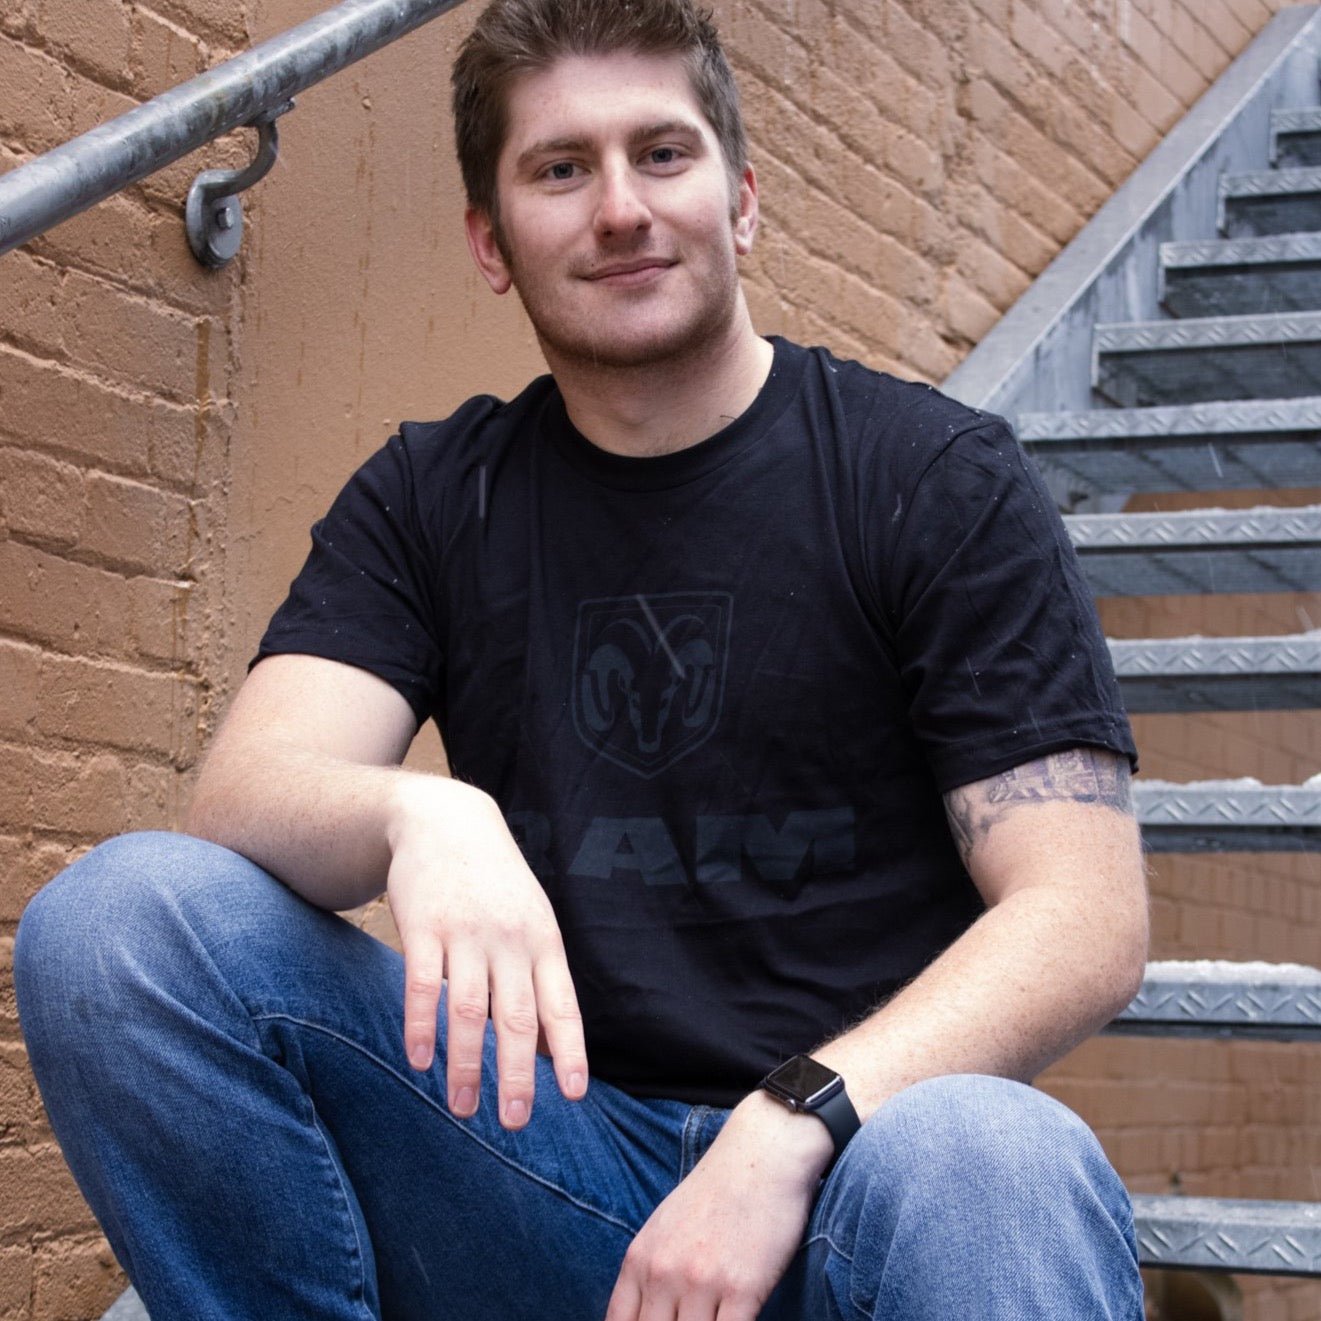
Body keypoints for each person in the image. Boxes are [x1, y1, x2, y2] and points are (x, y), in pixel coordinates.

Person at [14, 0, 1149, 1317]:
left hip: (854, 1189)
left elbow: (1084, 916)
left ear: (741, 201)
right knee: (121, 925)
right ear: (490, 244)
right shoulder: (436, 497)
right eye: (560, 169)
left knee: (996, 1152)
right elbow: (242, 796)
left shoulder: (930, 479)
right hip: (547, 1175)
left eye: (661, 154)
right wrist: (420, 814)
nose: (620, 209)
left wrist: (793, 1118)